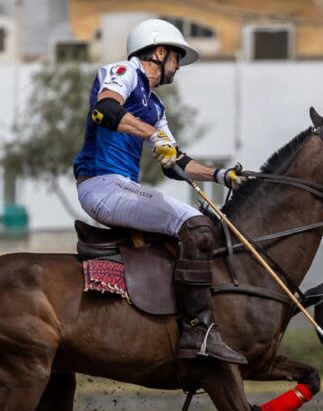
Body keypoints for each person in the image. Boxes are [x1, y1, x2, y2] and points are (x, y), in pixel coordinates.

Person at [73, 18, 247, 365]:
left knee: (194, 224)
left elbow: (174, 163)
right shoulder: (124, 71)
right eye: (177, 58)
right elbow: (105, 110)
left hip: (123, 187)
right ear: (159, 52)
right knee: (195, 223)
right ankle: (200, 329)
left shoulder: (155, 107)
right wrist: (152, 135)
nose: (178, 66)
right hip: (101, 184)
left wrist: (221, 174)